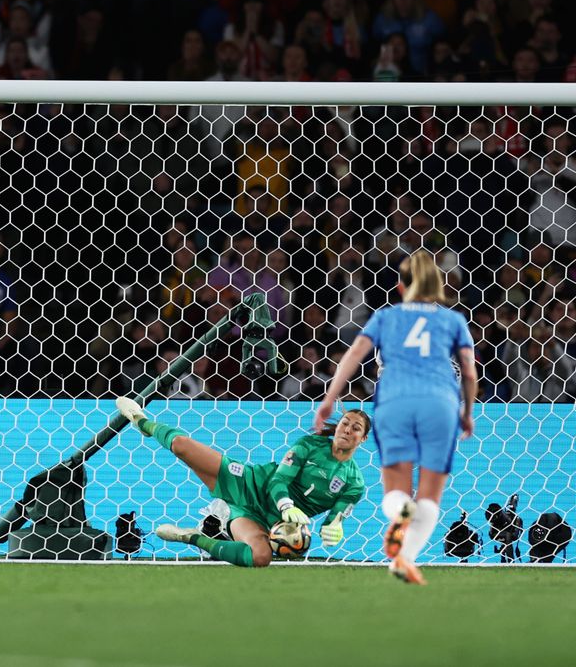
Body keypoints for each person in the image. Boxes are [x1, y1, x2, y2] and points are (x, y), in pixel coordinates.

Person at [314, 250, 476, 585]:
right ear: (439, 286)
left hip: (395, 400)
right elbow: (471, 374)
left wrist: (330, 399)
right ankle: (404, 559)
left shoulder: (385, 317)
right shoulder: (453, 320)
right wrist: (467, 412)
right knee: (430, 494)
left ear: (401, 289)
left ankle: (400, 511)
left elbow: (353, 355)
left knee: (396, 490)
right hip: (440, 403)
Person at [116, 397, 368, 568]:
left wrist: (334, 529)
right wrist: (286, 505)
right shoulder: (310, 445)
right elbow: (279, 479)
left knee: (260, 557)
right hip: (249, 482)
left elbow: (335, 519)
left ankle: (192, 537)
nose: (347, 429)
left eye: (355, 428)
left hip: (265, 520)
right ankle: (141, 421)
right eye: (345, 423)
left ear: (363, 439)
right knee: (182, 446)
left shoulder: (354, 482)